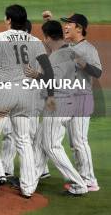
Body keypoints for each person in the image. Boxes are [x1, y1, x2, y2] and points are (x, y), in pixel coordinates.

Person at [0, 5, 54, 199]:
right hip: (27, 96)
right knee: (23, 140)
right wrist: (52, 95)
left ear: (8, 20)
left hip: (4, 94)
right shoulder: (35, 41)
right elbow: (49, 72)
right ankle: (28, 187)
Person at [26, 20, 88, 196]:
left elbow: (54, 81)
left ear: (46, 37)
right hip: (71, 101)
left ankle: (78, 184)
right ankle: (30, 182)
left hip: (58, 104)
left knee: (52, 146)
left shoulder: (55, 57)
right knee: (39, 143)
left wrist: (37, 75)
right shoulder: (71, 51)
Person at [60, 13, 102, 192]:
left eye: (69, 24)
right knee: (74, 142)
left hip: (81, 98)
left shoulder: (88, 49)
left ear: (79, 28)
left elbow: (98, 72)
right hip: (70, 99)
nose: (65, 26)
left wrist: (82, 63)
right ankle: (82, 177)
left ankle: (90, 180)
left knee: (79, 141)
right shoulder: (69, 46)